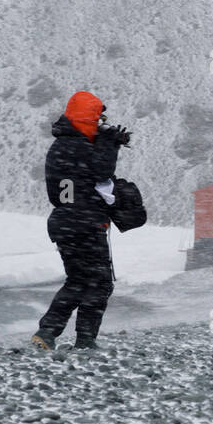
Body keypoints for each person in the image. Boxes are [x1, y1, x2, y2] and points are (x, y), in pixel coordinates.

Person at [32, 91, 131, 350]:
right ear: (87, 118)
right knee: (100, 283)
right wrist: (110, 144)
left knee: (77, 280)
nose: (100, 124)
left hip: (63, 221)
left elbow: (76, 178)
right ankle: (85, 340)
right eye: (97, 119)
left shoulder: (60, 146)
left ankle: (47, 332)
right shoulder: (79, 146)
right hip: (85, 222)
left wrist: (103, 143)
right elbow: (102, 172)